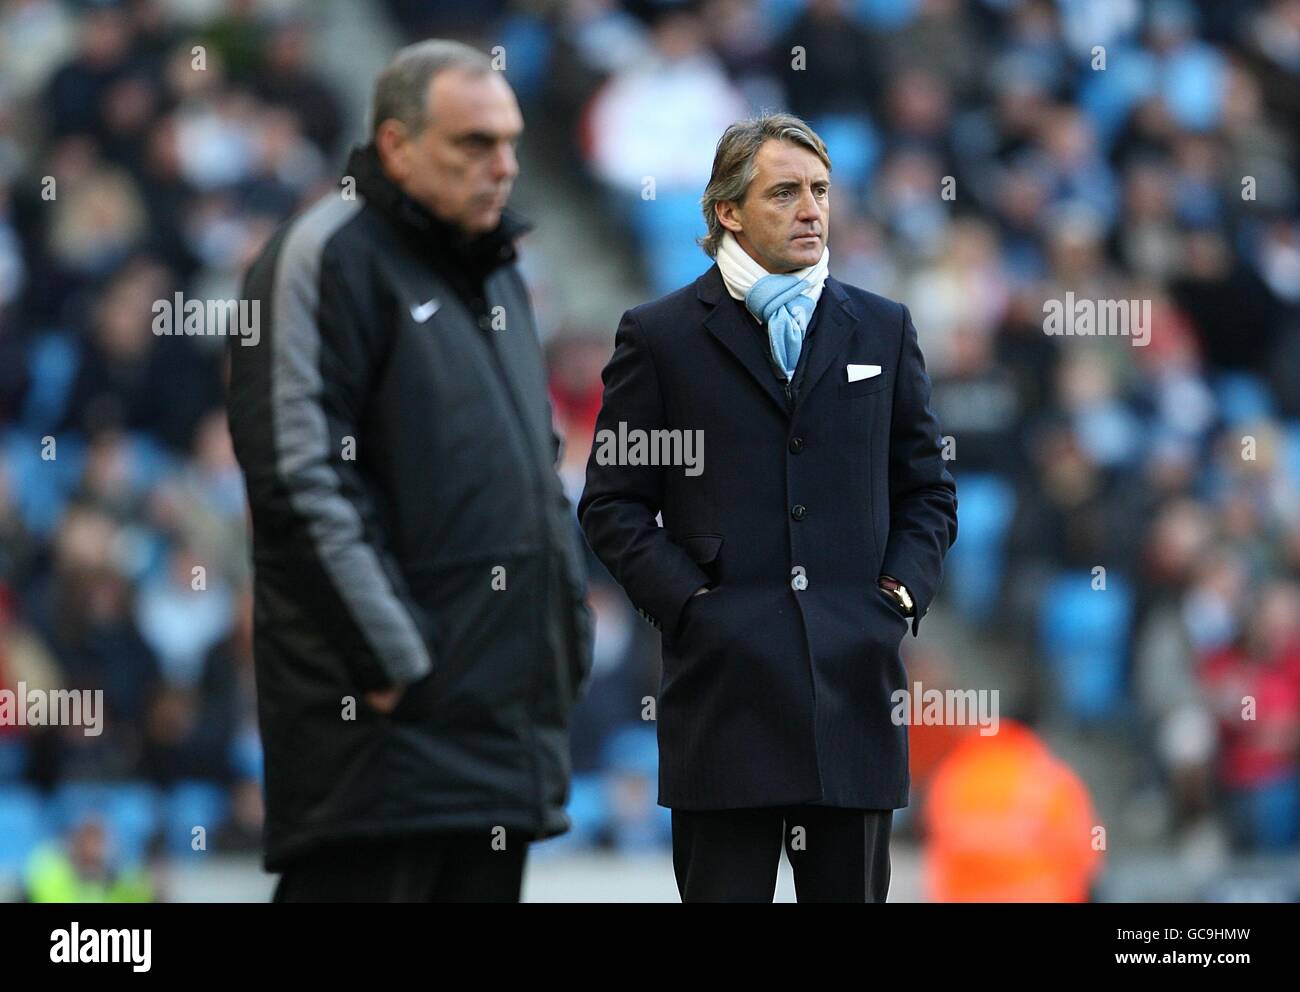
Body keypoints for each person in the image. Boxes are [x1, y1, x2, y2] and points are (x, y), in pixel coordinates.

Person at [227, 40, 593, 902]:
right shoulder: (326, 256)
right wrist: (393, 664)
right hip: (382, 745)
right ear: (395, 145)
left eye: (509, 141)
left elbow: (533, 469)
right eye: (473, 143)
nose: (504, 166)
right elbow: (298, 476)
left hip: (500, 729)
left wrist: (563, 635)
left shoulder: (496, 271)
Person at [579, 114, 958, 902]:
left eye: (820, 190)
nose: (812, 209)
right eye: (784, 192)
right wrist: (691, 606)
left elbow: (927, 488)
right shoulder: (659, 336)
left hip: (853, 694)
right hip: (724, 700)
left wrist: (897, 595)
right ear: (727, 210)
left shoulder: (883, 328)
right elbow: (612, 503)